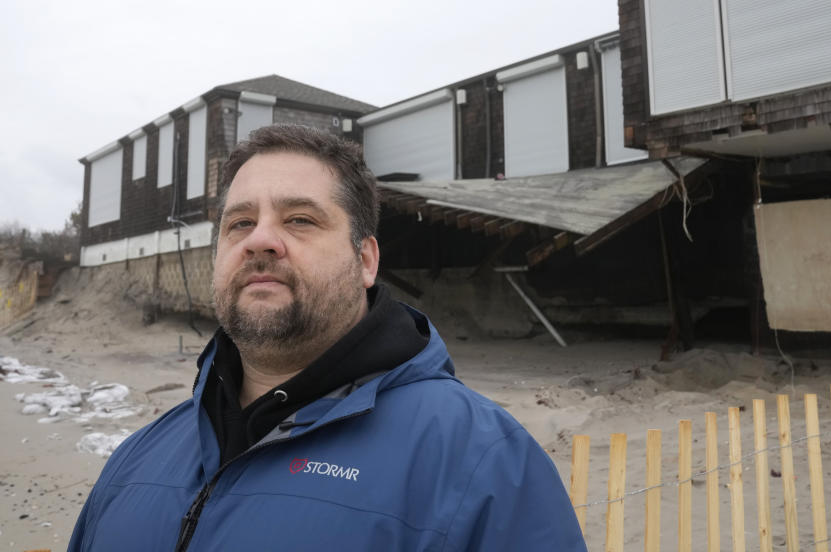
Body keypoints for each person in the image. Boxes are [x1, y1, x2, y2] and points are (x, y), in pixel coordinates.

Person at [68, 124, 588, 551]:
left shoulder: (483, 463)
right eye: (240, 223)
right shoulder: (137, 458)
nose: (260, 241)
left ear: (366, 260)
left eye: (299, 219)